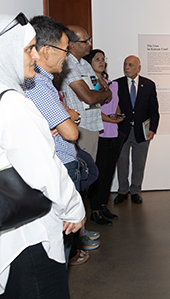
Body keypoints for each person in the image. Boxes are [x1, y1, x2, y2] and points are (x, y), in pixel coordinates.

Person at [0, 13, 85, 299]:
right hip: (28, 233)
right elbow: (43, 169)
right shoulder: (12, 101)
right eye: (28, 49)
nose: (34, 56)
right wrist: (74, 207)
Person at [21, 15, 93, 266]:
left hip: (60, 164)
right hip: (59, 166)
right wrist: (66, 119)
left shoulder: (41, 82)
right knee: (60, 244)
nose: (67, 55)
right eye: (65, 49)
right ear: (46, 50)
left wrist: (63, 121)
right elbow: (71, 133)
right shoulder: (36, 84)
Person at [86, 49, 125, 225]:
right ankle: (94, 209)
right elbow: (94, 108)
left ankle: (102, 205)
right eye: (97, 59)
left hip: (113, 131)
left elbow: (115, 104)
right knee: (98, 172)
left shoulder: (111, 84)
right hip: (100, 131)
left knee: (109, 172)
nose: (101, 62)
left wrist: (117, 116)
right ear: (89, 62)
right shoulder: (88, 83)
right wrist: (109, 119)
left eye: (103, 59)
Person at [60, 25, 111, 160]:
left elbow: (98, 90)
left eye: (90, 40)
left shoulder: (85, 64)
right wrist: (104, 94)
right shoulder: (67, 64)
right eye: (85, 42)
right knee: (83, 172)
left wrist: (101, 94)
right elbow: (89, 97)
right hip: (80, 125)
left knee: (91, 170)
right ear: (72, 45)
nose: (89, 44)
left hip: (93, 124)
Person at [114, 55, 160, 204]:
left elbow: (154, 110)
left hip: (143, 131)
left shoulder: (148, 85)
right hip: (122, 131)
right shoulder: (116, 84)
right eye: (125, 64)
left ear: (139, 68)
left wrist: (152, 129)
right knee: (122, 163)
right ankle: (122, 191)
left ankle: (135, 191)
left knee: (139, 163)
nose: (127, 67)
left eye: (131, 65)